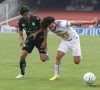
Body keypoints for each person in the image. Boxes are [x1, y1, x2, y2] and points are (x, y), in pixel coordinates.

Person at [41, 16, 97, 80]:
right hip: (65, 41)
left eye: (52, 26)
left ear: (54, 23)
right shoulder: (47, 27)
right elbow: (45, 30)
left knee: (77, 62)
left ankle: (79, 56)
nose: (51, 28)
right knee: (58, 56)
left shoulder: (62, 24)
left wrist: (91, 22)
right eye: (50, 28)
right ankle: (56, 76)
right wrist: (44, 42)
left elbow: (77, 22)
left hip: (74, 40)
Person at [15, 6, 49, 78]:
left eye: (28, 14)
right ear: (22, 15)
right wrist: (21, 40)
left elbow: (44, 28)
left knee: (43, 60)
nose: (27, 16)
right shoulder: (20, 22)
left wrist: (36, 33)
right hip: (30, 39)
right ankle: (22, 74)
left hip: (40, 38)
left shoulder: (36, 19)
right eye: (25, 15)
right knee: (22, 56)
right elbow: (20, 34)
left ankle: (46, 54)